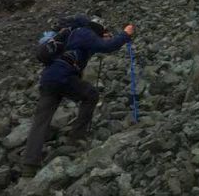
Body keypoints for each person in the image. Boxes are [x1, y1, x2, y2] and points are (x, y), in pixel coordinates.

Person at [22, 15, 134, 177]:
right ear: (97, 29)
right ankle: (76, 138)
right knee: (91, 95)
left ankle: (29, 165)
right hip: (64, 76)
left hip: (49, 77)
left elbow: (95, 44)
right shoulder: (86, 33)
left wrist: (103, 38)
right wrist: (126, 34)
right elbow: (108, 46)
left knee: (41, 120)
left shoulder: (72, 33)